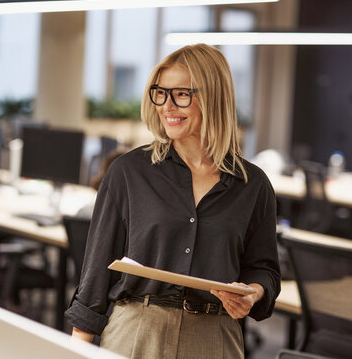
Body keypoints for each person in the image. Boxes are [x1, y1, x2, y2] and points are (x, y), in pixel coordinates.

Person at [65, 43, 280, 359]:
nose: (167, 106)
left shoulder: (253, 185)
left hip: (214, 336)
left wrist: (252, 294)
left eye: (181, 95)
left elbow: (264, 269)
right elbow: (96, 276)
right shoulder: (129, 172)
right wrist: (74, 351)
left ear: (212, 99)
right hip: (137, 330)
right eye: (160, 93)